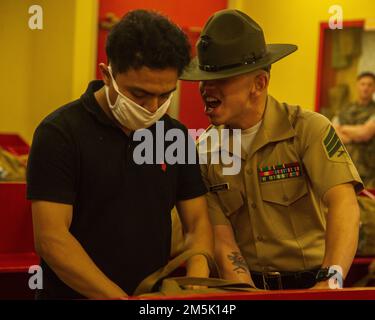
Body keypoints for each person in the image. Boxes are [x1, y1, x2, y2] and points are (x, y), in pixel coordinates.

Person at [27, 10, 213, 299]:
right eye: (139, 94)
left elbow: (198, 223)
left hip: (152, 296)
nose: (152, 107)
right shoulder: (60, 133)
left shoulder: (173, 135)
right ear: (106, 75)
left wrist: (194, 285)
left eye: (165, 95)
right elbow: (52, 238)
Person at [180, 9, 363, 290]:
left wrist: (331, 281)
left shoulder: (307, 129)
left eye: (222, 80)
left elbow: (344, 204)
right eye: (204, 78)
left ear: (259, 84)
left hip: (313, 283)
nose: (206, 89)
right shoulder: (204, 151)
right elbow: (222, 237)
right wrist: (248, 294)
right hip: (246, 286)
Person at [333, 72, 375, 188]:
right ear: (357, 85)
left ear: (374, 88)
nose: (365, 88)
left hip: (366, 170)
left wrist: (344, 128)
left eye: (369, 85)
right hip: (343, 166)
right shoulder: (344, 108)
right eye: (363, 84)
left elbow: (366, 133)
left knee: (365, 203)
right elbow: (333, 132)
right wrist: (356, 133)